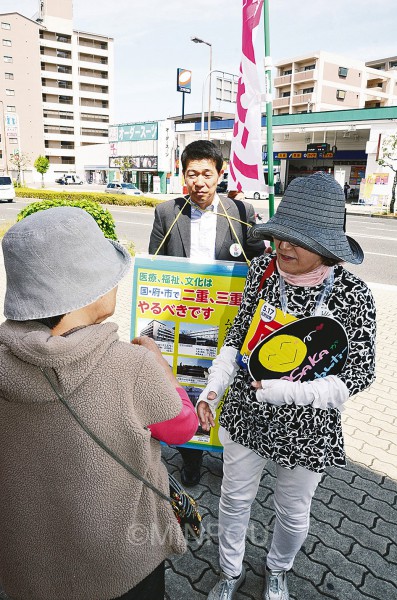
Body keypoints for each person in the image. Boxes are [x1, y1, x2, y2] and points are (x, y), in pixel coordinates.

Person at [0, 207, 198, 600]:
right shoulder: (133, 366)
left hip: (28, 560)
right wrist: (162, 367)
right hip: (120, 561)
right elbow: (183, 428)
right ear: (85, 288)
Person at [197, 172, 376, 600]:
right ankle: (230, 571)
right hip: (247, 413)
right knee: (234, 501)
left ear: (328, 247)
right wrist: (213, 389)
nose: (283, 247)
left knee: (293, 512)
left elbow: (358, 375)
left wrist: (289, 393)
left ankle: (278, 570)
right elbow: (237, 339)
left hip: (308, 426)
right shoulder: (261, 272)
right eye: (280, 235)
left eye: (298, 240)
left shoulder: (353, 295)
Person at [148, 140, 267, 487]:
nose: (199, 182)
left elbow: (256, 260)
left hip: (227, 321)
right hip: (181, 317)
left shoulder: (240, 212)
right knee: (185, 385)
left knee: (225, 385)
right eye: (191, 174)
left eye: (206, 173)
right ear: (183, 175)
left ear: (220, 172)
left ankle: (227, 452)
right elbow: (154, 262)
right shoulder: (167, 213)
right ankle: (190, 456)